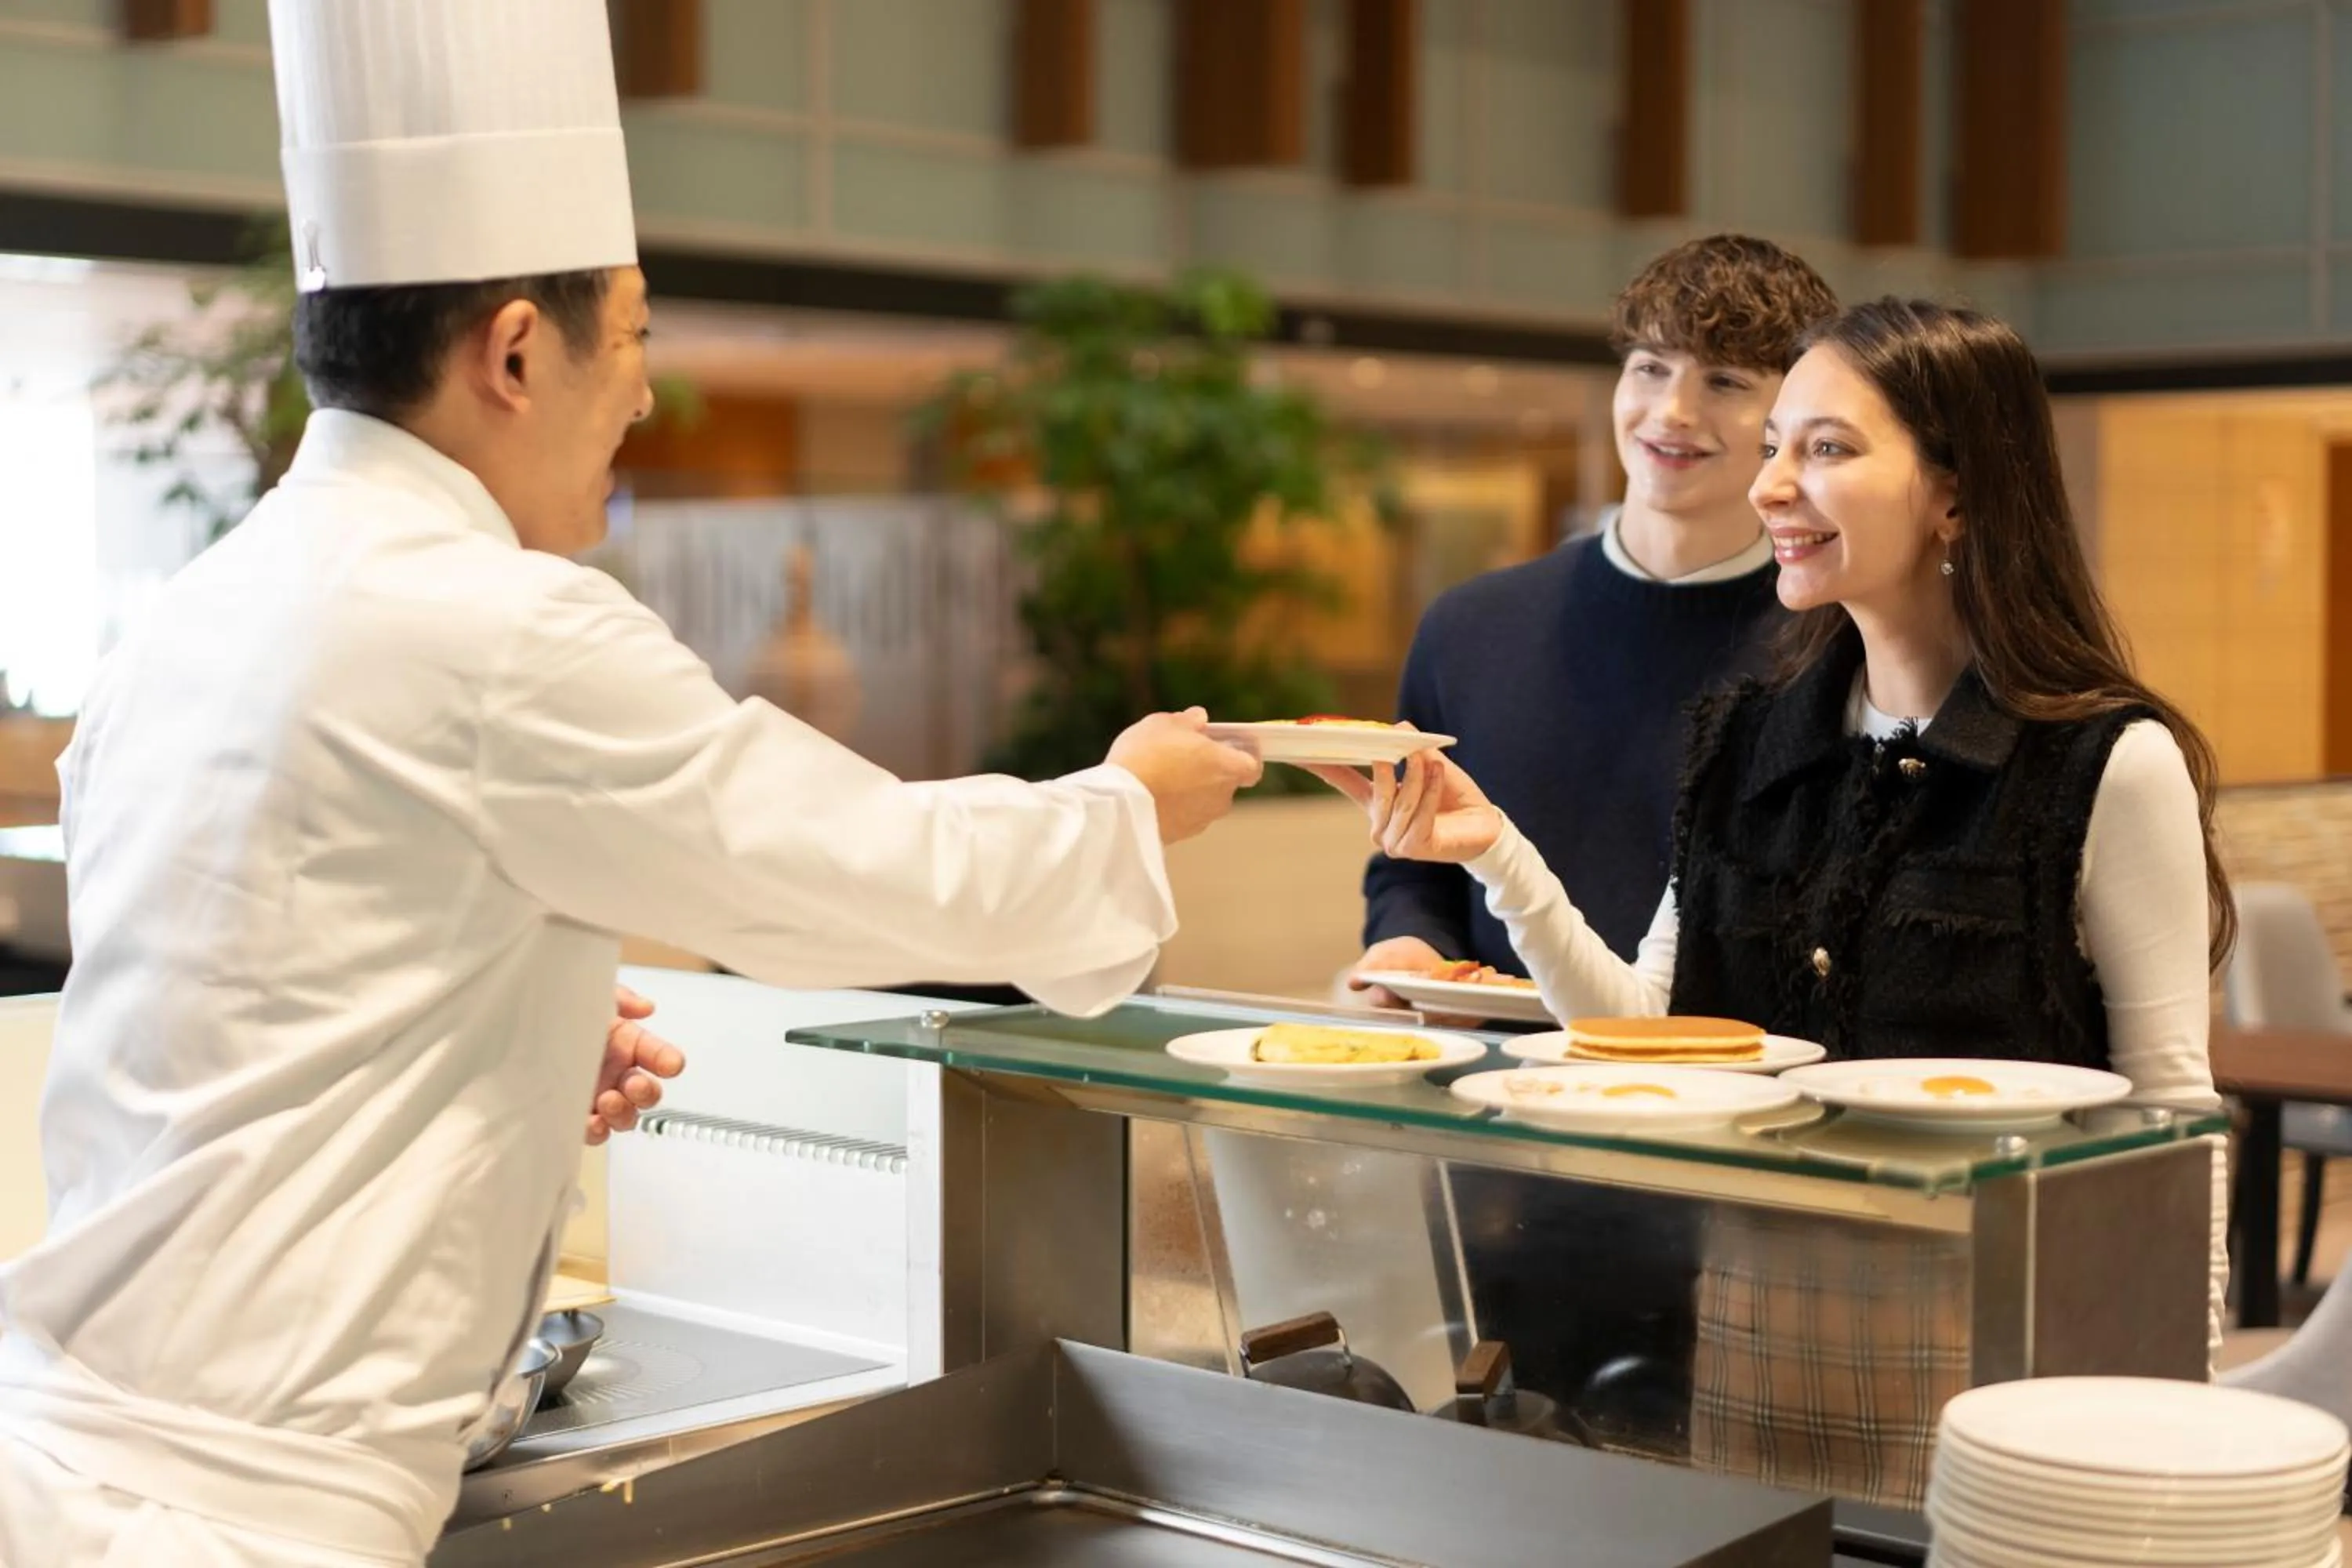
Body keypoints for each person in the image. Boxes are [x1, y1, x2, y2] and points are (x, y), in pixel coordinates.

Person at [0, 4, 1258, 1565]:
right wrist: (1125, 805)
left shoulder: (194, 612)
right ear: (519, 349)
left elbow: (234, 992)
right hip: (245, 1523)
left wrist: (491, 1015)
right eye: (640, 337)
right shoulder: (500, 626)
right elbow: (852, 868)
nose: (648, 398)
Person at [1320, 298, 2233, 1506]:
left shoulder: (2105, 762)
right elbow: (1650, 1030)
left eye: (1828, 450)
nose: (1771, 488)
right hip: (1755, 1323)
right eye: (1777, 448)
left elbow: (2171, 1120)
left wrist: (2178, 1407)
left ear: (1958, 495)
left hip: (2012, 1356)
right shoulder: (1747, 741)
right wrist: (1495, 853)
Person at [1341, 236, 1836, 1439]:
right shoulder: (1474, 626)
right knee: (1493, 1470)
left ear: (1789, 417)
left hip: (1743, 1172)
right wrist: (1402, 951)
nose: (1673, 411)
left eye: (1725, 382)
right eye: (1650, 368)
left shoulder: (1827, 647)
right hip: (1494, 1155)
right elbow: (1410, 863)